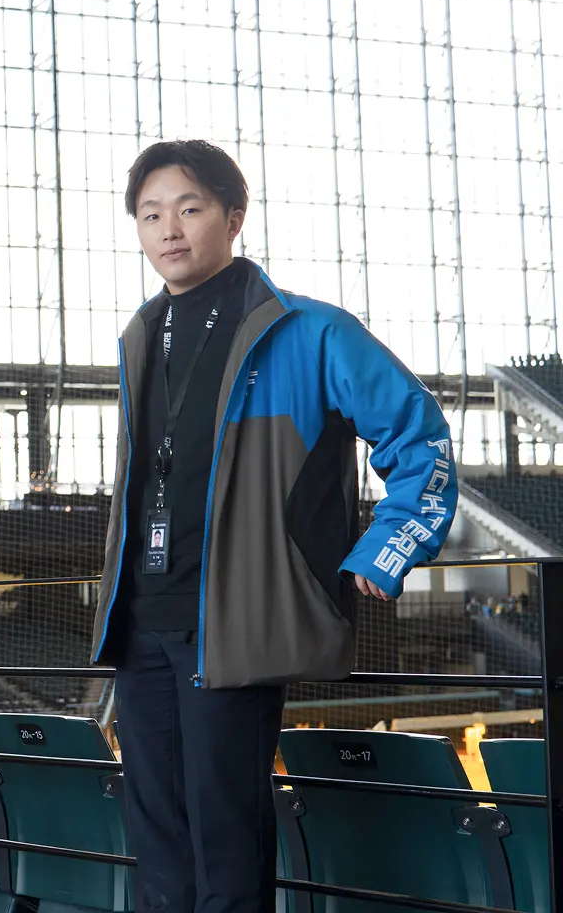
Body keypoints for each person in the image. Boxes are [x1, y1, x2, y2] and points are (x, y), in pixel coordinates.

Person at [89, 139, 457, 912]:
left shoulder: (311, 332)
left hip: (235, 622)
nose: (168, 229)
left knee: (226, 841)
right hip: (141, 625)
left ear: (234, 216)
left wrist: (389, 546)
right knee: (157, 848)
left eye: (189, 208)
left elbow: (419, 437)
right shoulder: (141, 334)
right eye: (150, 215)